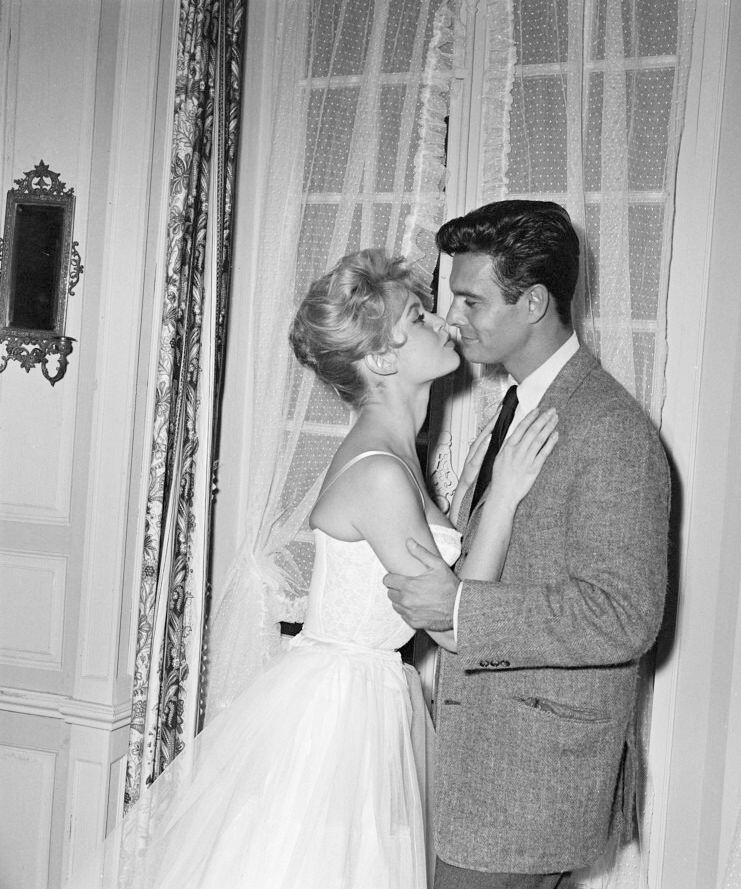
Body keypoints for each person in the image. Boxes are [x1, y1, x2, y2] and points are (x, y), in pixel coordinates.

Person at [63, 248, 558, 889]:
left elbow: (451, 592)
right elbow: (455, 626)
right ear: (382, 360)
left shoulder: (391, 454)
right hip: (343, 710)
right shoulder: (380, 473)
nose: (444, 322)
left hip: (365, 693)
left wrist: (474, 497)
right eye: (418, 316)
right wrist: (506, 498)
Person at [385, 201, 671, 889]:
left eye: (471, 300)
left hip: (529, 782)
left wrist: (461, 610)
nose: (451, 318)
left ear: (534, 303)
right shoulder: (518, 406)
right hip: (482, 768)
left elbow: (623, 614)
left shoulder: (610, 430)